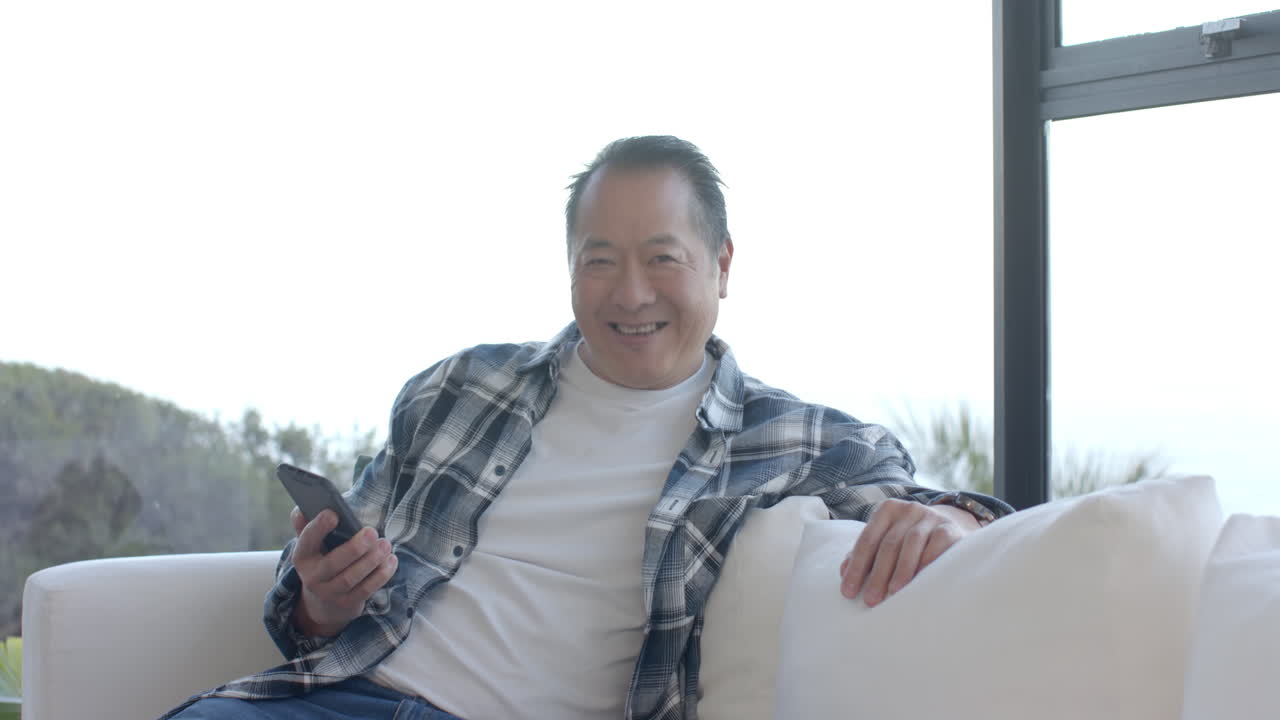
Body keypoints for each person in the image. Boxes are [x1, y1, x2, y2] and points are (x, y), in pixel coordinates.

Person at [165, 136, 1012, 720]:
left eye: (662, 259)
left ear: (721, 265)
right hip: (337, 697)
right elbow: (313, 609)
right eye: (599, 261)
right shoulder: (460, 387)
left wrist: (957, 520)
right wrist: (322, 596)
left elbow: (935, 503)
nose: (630, 294)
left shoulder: (789, 438)